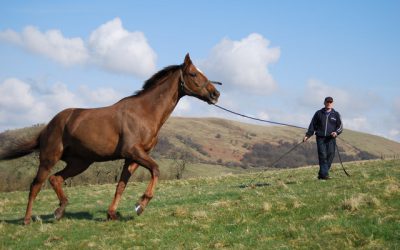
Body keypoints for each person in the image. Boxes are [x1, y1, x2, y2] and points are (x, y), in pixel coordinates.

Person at [303, 97, 343, 180]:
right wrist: (307, 135)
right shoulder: (318, 113)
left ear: (332, 103)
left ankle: (322, 174)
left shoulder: (336, 114)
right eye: (327, 102)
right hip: (320, 138)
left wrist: (336, 132)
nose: (329, 103)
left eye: (330, 102)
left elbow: (340, 127)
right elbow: (312, 125)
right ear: (324, 103)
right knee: (322, 156)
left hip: (331, 139)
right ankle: (324, 175)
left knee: (330, 155)